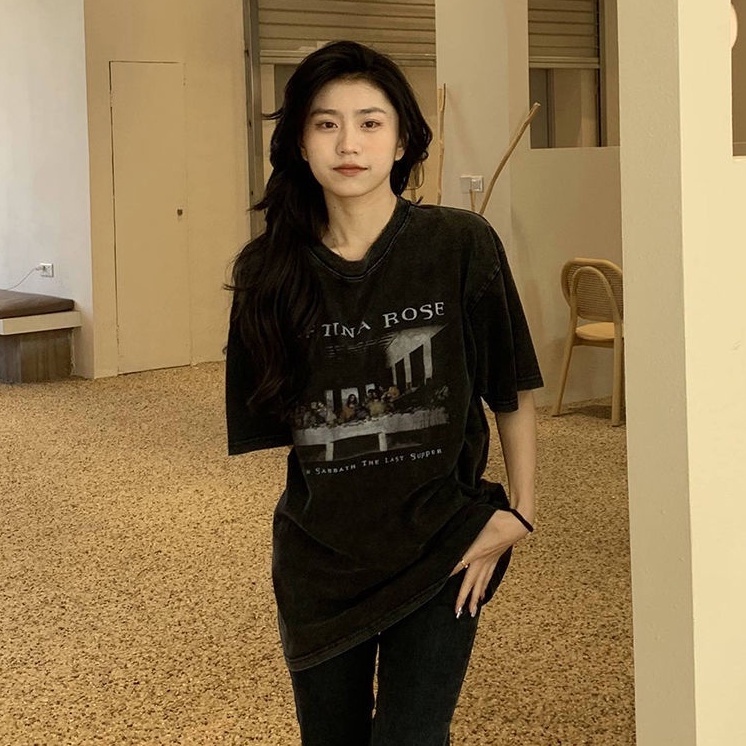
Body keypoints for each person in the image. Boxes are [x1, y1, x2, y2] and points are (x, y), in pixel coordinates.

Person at [226, 40, 543, 746]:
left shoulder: (459, 244)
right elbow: (284, 424)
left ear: (402, 140)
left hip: (442, 546)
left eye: (370, 122)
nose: (349, 143)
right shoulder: (268, 273)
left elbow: (512, 385)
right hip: (320, 566)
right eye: (326, 123)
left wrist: (520, 511)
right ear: (300, 142)